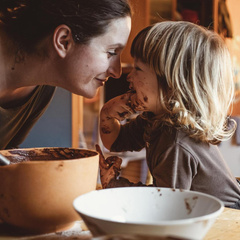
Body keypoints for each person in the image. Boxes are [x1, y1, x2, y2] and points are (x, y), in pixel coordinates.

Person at [98, 21, 240, 209]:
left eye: (138, 69)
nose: (129, 77)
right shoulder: (155, 119)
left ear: (172, 83)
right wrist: (107, 114)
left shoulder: (175, 140)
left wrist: (115, 186)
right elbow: (115, 142)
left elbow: (164, 207)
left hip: (226, 222)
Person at [0, 0, 132, 150]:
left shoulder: (42, 88)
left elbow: (6, 160)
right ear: (64, 41)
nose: (117, 72)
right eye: (111, 52)